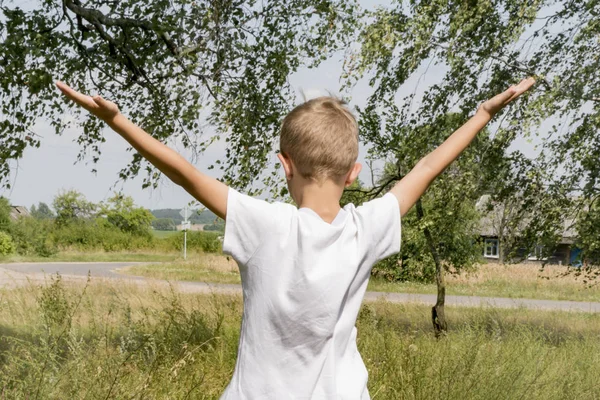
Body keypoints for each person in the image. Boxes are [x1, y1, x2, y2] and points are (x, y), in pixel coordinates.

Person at [56, 77, 535, 399]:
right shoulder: (366, 228)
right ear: (353, 174)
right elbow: (427, 168)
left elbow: (185, 174)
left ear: (283, 164)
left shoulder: (264, 224)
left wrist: (115, 120)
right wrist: (483, 113)